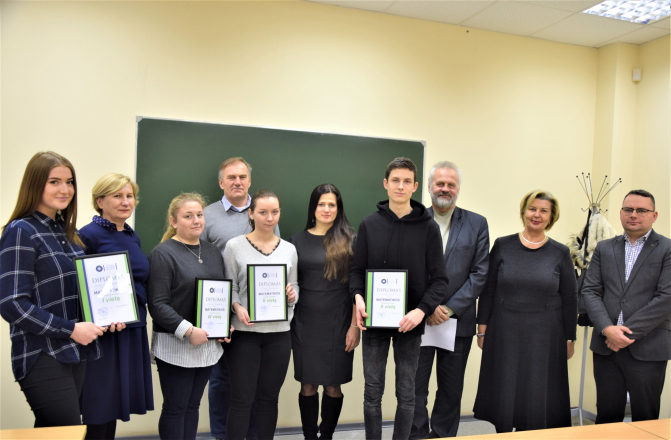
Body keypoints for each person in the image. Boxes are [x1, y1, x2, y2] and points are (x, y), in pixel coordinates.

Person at [0, 151, 106, 428]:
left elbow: (78, 294)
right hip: (42, 353)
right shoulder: (21, 231)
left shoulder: (68, 233)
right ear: (35, 184)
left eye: (69, 182)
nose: (65, 189)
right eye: (54, 182)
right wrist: (70, 329)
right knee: (66, 430)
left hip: (75, 350)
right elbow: (12, 303)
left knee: (55, 433)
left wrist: (105, 317)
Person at [350, 157, 449, 440]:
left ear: (415, 186)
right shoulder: (369, 224)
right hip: (374, 322)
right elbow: (356, 271)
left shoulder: (428, 227)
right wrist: (358, 298)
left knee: (407, 393)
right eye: (395, 180)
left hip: (410, 323)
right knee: (372, 392)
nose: (400, 186)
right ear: (386, 184)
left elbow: (440, 280)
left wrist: (421, 311)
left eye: (407, 181)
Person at [473, 190, 577, 433]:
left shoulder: (560, 253)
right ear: (523, 212)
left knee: (536, 392)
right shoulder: (503, 245)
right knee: (505, 387)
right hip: (504, 329)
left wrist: (569, 337)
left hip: (546, 334)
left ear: (551, 217)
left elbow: (570, 298)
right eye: (532, 209)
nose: (537, 215)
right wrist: (482, 329)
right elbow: (488, 290)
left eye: (544, 211)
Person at [410, 161, 489, 439]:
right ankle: (417, 435)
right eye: (440, 183)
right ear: (429, 187)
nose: (445, 189)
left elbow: (480, 273)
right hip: (418, 320)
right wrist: (427, 308)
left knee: (451, 389)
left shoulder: (477, 224)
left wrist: (448, 308)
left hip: (458, 322)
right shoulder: (413, 220)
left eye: (451, 184)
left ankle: (442, 435)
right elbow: (406, 269)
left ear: (458, 188)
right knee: (414, 388)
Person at [582, 189, 671, 424]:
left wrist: (624, 334)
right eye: (628, 209)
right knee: (607, 418)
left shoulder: (667, 248)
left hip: (648, 348)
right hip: (606, 348)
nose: (634, 214)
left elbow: (666, 297)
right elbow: (590, 291)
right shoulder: (604, 248)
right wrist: (607, 329)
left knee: (645, 420)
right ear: (621, 213)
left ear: (654, 215)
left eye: (641, 210)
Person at [205, 157, 278, 440]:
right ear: (221, 182)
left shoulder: (264, 212)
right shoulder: (206, 216)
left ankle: (251, 434)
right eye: (231, 177)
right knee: (221, 379)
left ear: (249, 181)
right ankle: (222, 435)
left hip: (258, 317)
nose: (237, 182)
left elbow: (274, 261)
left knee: (253, 382)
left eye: (242, 177)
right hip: (220, 312)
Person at [147, 193, 230, 440]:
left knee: (193, 406)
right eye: (188, 216)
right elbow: (158, 305)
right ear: (174, 221)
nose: (196, 220)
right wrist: (189, 330)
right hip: (176, 344)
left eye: (199, 215)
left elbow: (219, 294)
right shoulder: (163, 254)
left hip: (207, 344)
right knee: (176, 408)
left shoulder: (212, 251)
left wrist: (224, 325)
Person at [78, 173, 154, 439]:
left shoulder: (131, 235)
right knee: (99, 406)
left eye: (129, 196)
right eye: (117, 196)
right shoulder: (87, 235)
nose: (125, 202)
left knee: (114, 405)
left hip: (131, 328)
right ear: (100, 201)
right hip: (103, 334)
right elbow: (79, 287)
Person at [223, 190, 298, 440]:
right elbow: (231, 286)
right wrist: (237, 306)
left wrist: (292, 295)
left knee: (269, 399)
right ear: (251, 213)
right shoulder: (234, 246)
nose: (269, 218)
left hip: (279, 335)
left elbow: (295, 285)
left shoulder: (289, 249)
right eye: (263, 212)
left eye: (274, 212)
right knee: (241, 399)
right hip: (245, 334)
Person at [290, 184, 359, 440]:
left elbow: (357, 286)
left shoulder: (351, 239)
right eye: (321, 204)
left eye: (332, 204)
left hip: (339, 323)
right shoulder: (296, 240)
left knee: (332, 385)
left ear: (339, 208)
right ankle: (310, 437)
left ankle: (326, 436)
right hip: (304, 323)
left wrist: (354, 326)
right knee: (307, 384)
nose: (326, 209)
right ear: (313, 207)